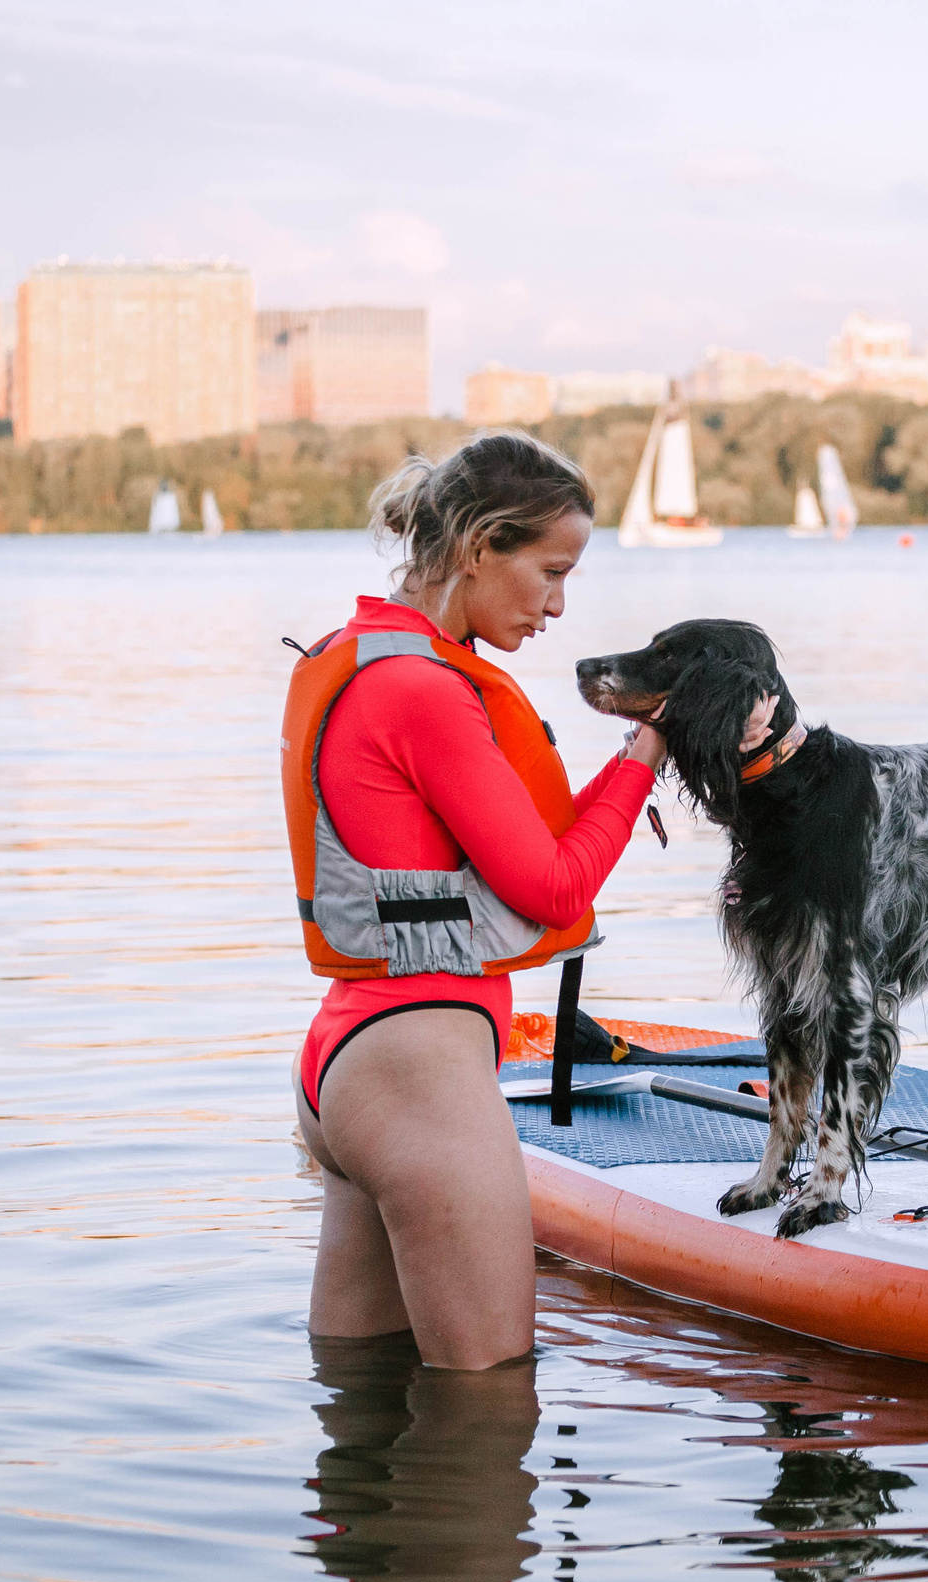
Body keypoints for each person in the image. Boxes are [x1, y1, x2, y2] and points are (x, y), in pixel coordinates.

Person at [284, 431, 664, 1370]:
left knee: (359, 1400)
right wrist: (647, 758)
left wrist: (626, 774)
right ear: (477, 545)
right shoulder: (423, 690)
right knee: (489, 1409)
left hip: (351, 1067)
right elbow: (555, 885)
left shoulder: (365, 658)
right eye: (549, 570)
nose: (558, 605)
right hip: (421, 1076)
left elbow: (523, 853)